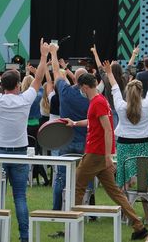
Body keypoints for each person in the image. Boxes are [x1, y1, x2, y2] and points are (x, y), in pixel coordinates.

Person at [59, 43, 148, 240]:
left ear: (84, 86)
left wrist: (108, 156)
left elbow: (108, 130)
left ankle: (69, 227)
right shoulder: (99, 101)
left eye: (80, 87)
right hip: (99, 153)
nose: (79, 90)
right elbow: (94, 123)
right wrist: (74, 123)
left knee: (76, 188)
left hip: (96, 153)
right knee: (115, 193)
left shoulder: (98, 102)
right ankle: (138, 226)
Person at [0, 40, 48, 242]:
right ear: (18, 85)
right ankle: (24, 237)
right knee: (20, 197)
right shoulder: (24, 99)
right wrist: (43, 56)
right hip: (19, 154)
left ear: (2, 85)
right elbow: (39, 78)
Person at [103, 59, 148, 190]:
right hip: (143, 144)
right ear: (140, 92)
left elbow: (114, 88)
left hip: (124, 144)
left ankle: (125, 208)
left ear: (127, 92)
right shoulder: (147, 105)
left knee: (123, 178)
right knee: (144, 182)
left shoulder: (120, 106)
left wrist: (109, 73)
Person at [50, 58, 90, 211]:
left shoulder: (66, 92)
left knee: (61, 178)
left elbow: (56, 73)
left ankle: (56, 209)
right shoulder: (91, 99)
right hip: (84, 142)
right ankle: (88, 211)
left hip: (66, 141)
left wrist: (53, 53)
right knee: (85, 178)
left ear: (75, 78)